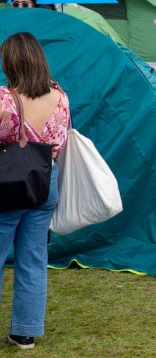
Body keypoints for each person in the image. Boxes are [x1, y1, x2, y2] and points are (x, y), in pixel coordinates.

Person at [0, 32, 70, 350]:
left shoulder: (5, 98)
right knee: (33, 258)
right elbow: (62, 140)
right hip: (46, 182)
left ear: (11, 63)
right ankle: (25, 331)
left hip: (8, 182)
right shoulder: (60, 97)